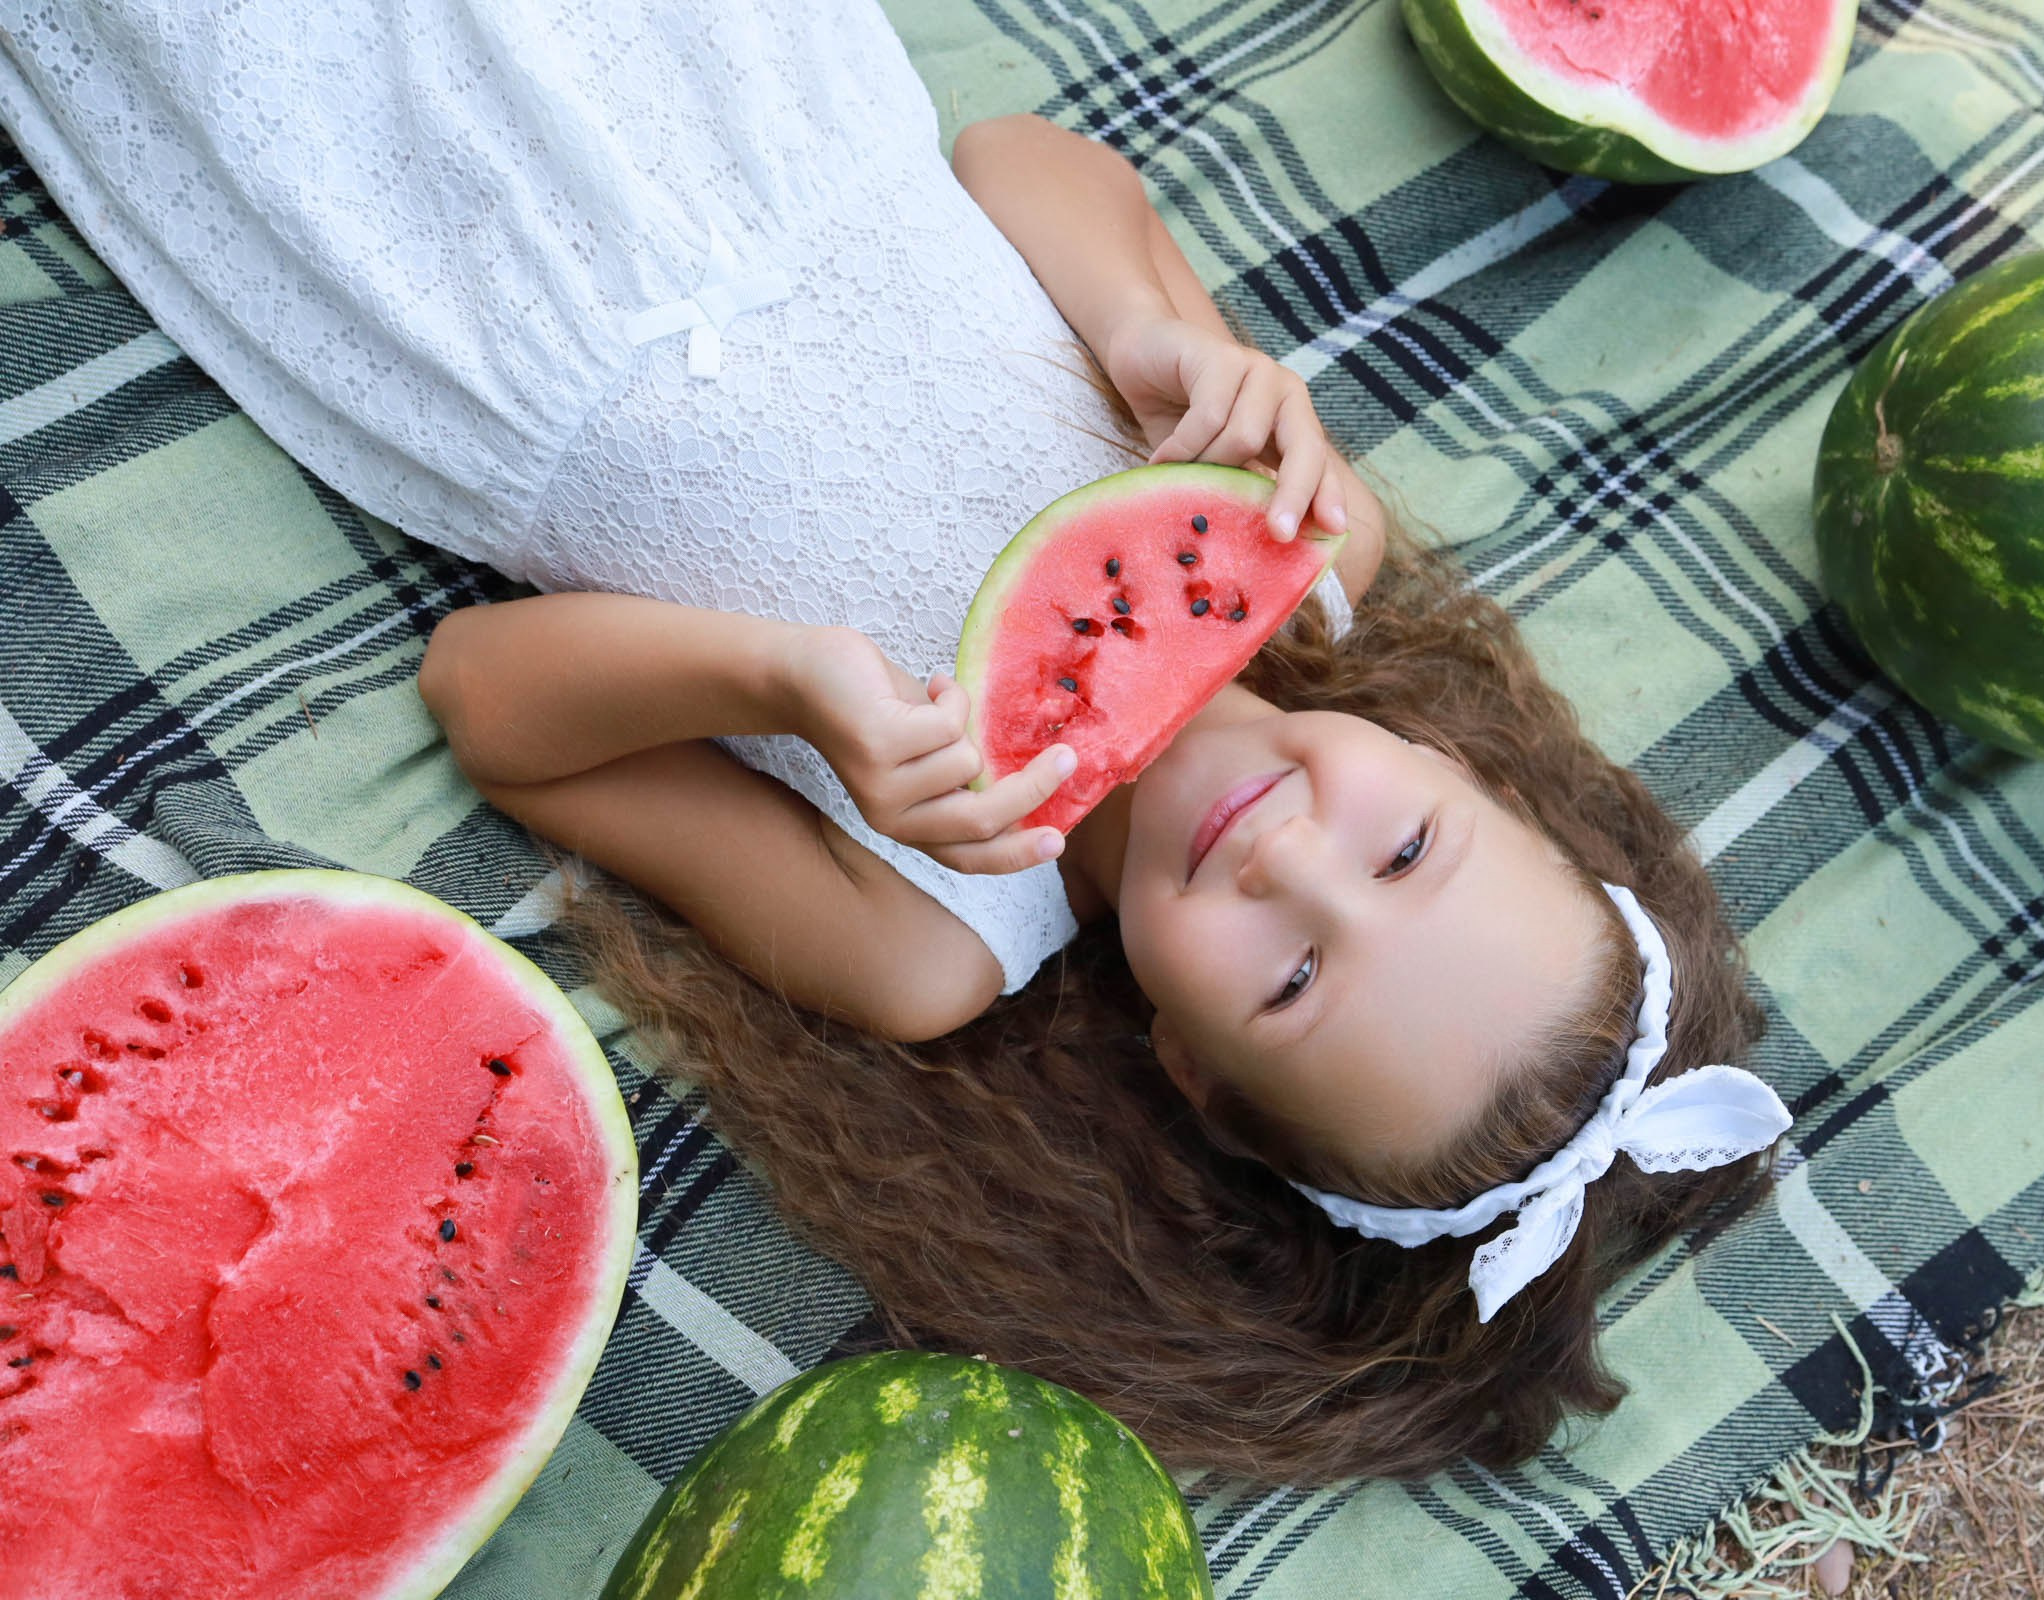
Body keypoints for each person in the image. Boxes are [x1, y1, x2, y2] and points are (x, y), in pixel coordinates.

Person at [0, 0, 1791, 1481]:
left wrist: (775, 685)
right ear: (1472, 775)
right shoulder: (1305, 543)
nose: (1287, 855)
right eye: (1408, 851)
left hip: (470, 291)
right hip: (746, 94)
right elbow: (1009, 162)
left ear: (1184, 1066)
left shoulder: (937, 938)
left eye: (1295, 980)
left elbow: (491, 700)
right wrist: (1152, 329)